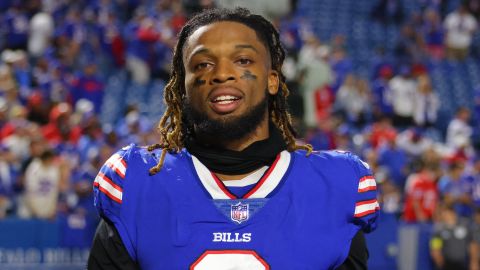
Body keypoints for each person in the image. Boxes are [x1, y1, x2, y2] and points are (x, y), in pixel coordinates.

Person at [88, 8, 379, 269]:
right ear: (182, 86)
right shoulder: (140, 181)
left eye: (242, 60)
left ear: (272, 80)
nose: (222, 74)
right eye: (202, 64)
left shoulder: (334, 186)